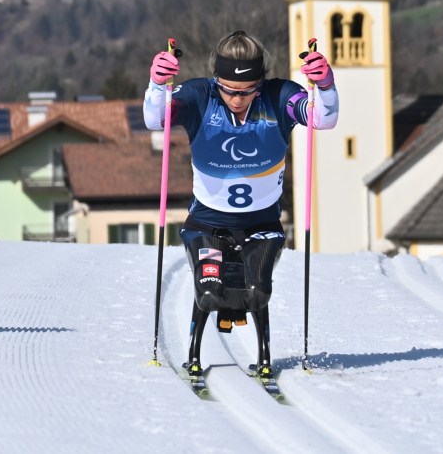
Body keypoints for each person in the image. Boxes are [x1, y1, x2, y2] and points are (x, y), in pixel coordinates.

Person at [143, 30, 338, 382]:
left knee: (257, 292)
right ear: (216, 80)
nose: (237, 99)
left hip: (262, 225)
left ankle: (264, 355)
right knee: (209, 291)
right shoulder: (200, 94)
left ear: (260, 82)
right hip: (206, 224)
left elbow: (322, 119)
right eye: (229, 90)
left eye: (248, 90)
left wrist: (324, 86)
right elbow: (157, 120)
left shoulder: (280, 96)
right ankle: (194, 352)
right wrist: (158, 85)